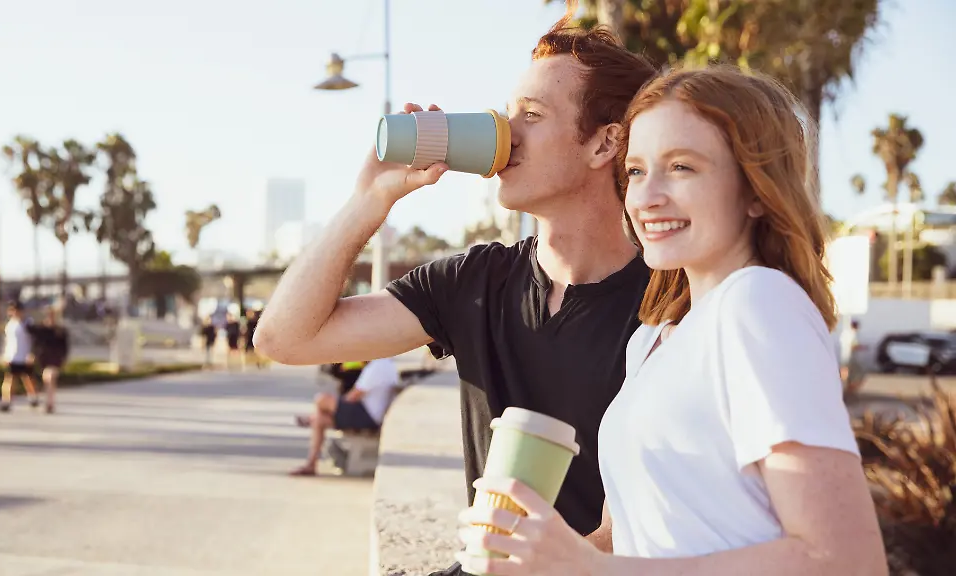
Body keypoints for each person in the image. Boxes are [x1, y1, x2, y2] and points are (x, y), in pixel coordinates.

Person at [252, 3, 657, 570]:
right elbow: (284, 338)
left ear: (604, 144)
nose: (506, 132)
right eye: (508, 112)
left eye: (533, 115)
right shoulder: (473, 281)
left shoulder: (670, 302)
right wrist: (371, 199)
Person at [454, 65, 888, 575]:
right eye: (635, 170)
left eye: (682, 167)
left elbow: (845, 560)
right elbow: (630, 540)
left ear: (755, 191)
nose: (646, 196)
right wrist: (543, 556)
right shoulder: (651, 342)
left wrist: (587, 567)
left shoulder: (757, 303)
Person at [290, 357, 398, 476]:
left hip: (367, 416)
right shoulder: (385, 364)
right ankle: (311, 464)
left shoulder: (378, 366)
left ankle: (309, 419)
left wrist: (337, 406)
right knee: (319, 420)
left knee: (322, 400)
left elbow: (354, 396)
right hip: (370, 415)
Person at [0, 301, 41, 412]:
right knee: (9, 378)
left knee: (28, 379)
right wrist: (5, 355)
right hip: (13, 356)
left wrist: (32, 354)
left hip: (25, 356)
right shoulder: (10, 325)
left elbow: (35, 340)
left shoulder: (28, 323)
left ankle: (33, 397)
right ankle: (6, 401)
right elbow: (8, 341)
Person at [31, 306, 69, 414]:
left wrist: (64, 359)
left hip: (55, 358)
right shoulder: (41, 330)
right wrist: (33, 355)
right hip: (44, 358)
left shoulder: (60, 331)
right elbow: (35, 343)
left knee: (50, 377)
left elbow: (65, 347)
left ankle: (49, 402)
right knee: (47, 380)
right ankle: (49, 401)